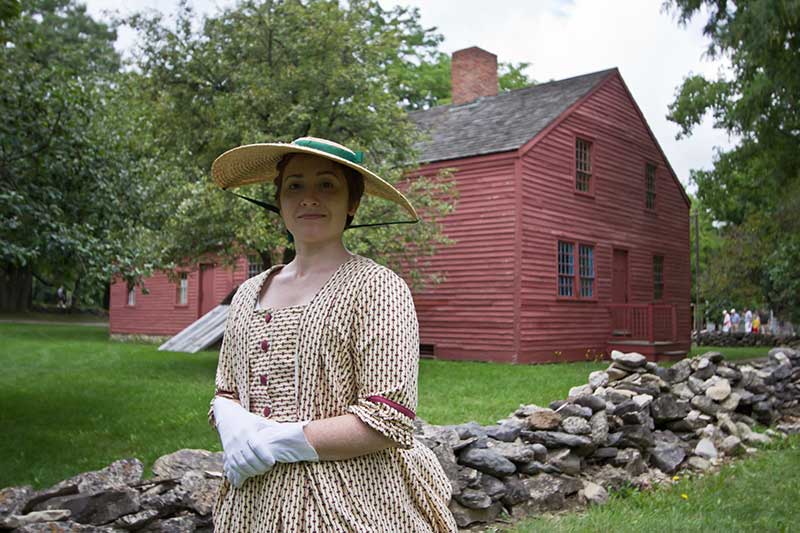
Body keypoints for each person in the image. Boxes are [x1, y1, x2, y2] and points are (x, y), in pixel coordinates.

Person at [207, 137, 457, 532]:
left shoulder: (376, 288)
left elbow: (388, 418)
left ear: (352, 203)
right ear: (279, 201)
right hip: (253, 502)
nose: (309, 198)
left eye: (327, 185)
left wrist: (273, 442)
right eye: (294, 185)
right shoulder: (248, 294)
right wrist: (231, 423)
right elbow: (227, 391)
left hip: (352, 502)